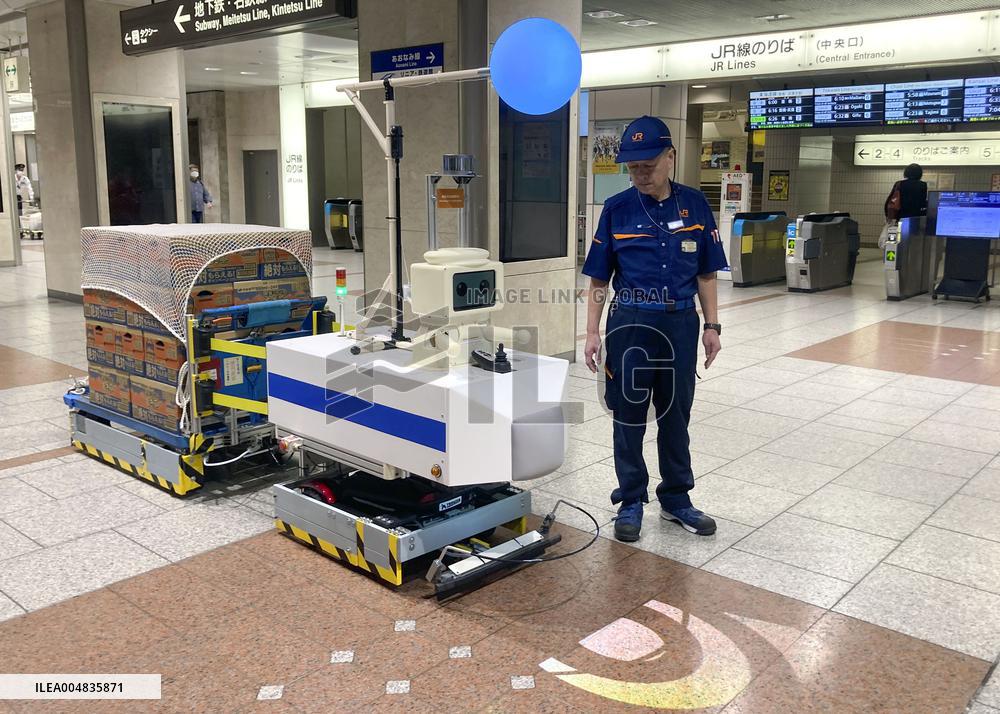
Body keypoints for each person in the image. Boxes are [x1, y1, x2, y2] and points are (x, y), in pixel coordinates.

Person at [582, 116, 727, 542]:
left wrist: (712, 326)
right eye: (633, 167)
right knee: (628, 415)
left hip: (681, 323)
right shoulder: (617, 209)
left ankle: (677, 498)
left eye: (648, 163)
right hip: (630, 322)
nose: (641, 173)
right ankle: (630, 498)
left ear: (671, 157)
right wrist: (591, 333)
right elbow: (597, 279)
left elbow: (706, 274)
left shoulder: (696, 206)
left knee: (675, 413)